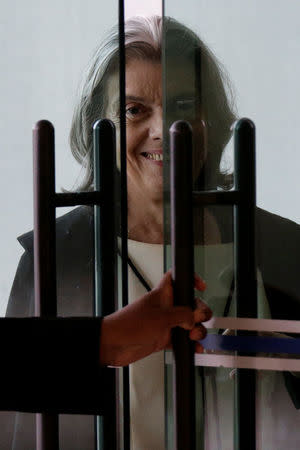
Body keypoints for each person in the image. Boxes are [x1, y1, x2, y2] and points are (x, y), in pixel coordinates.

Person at [2, 14, 300, 450]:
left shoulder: (283, 246)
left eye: (183, 106)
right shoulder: (57, 255)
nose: (162, 130)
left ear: (210, 119)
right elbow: (21, 426)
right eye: (133, 110)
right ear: (99, 128)